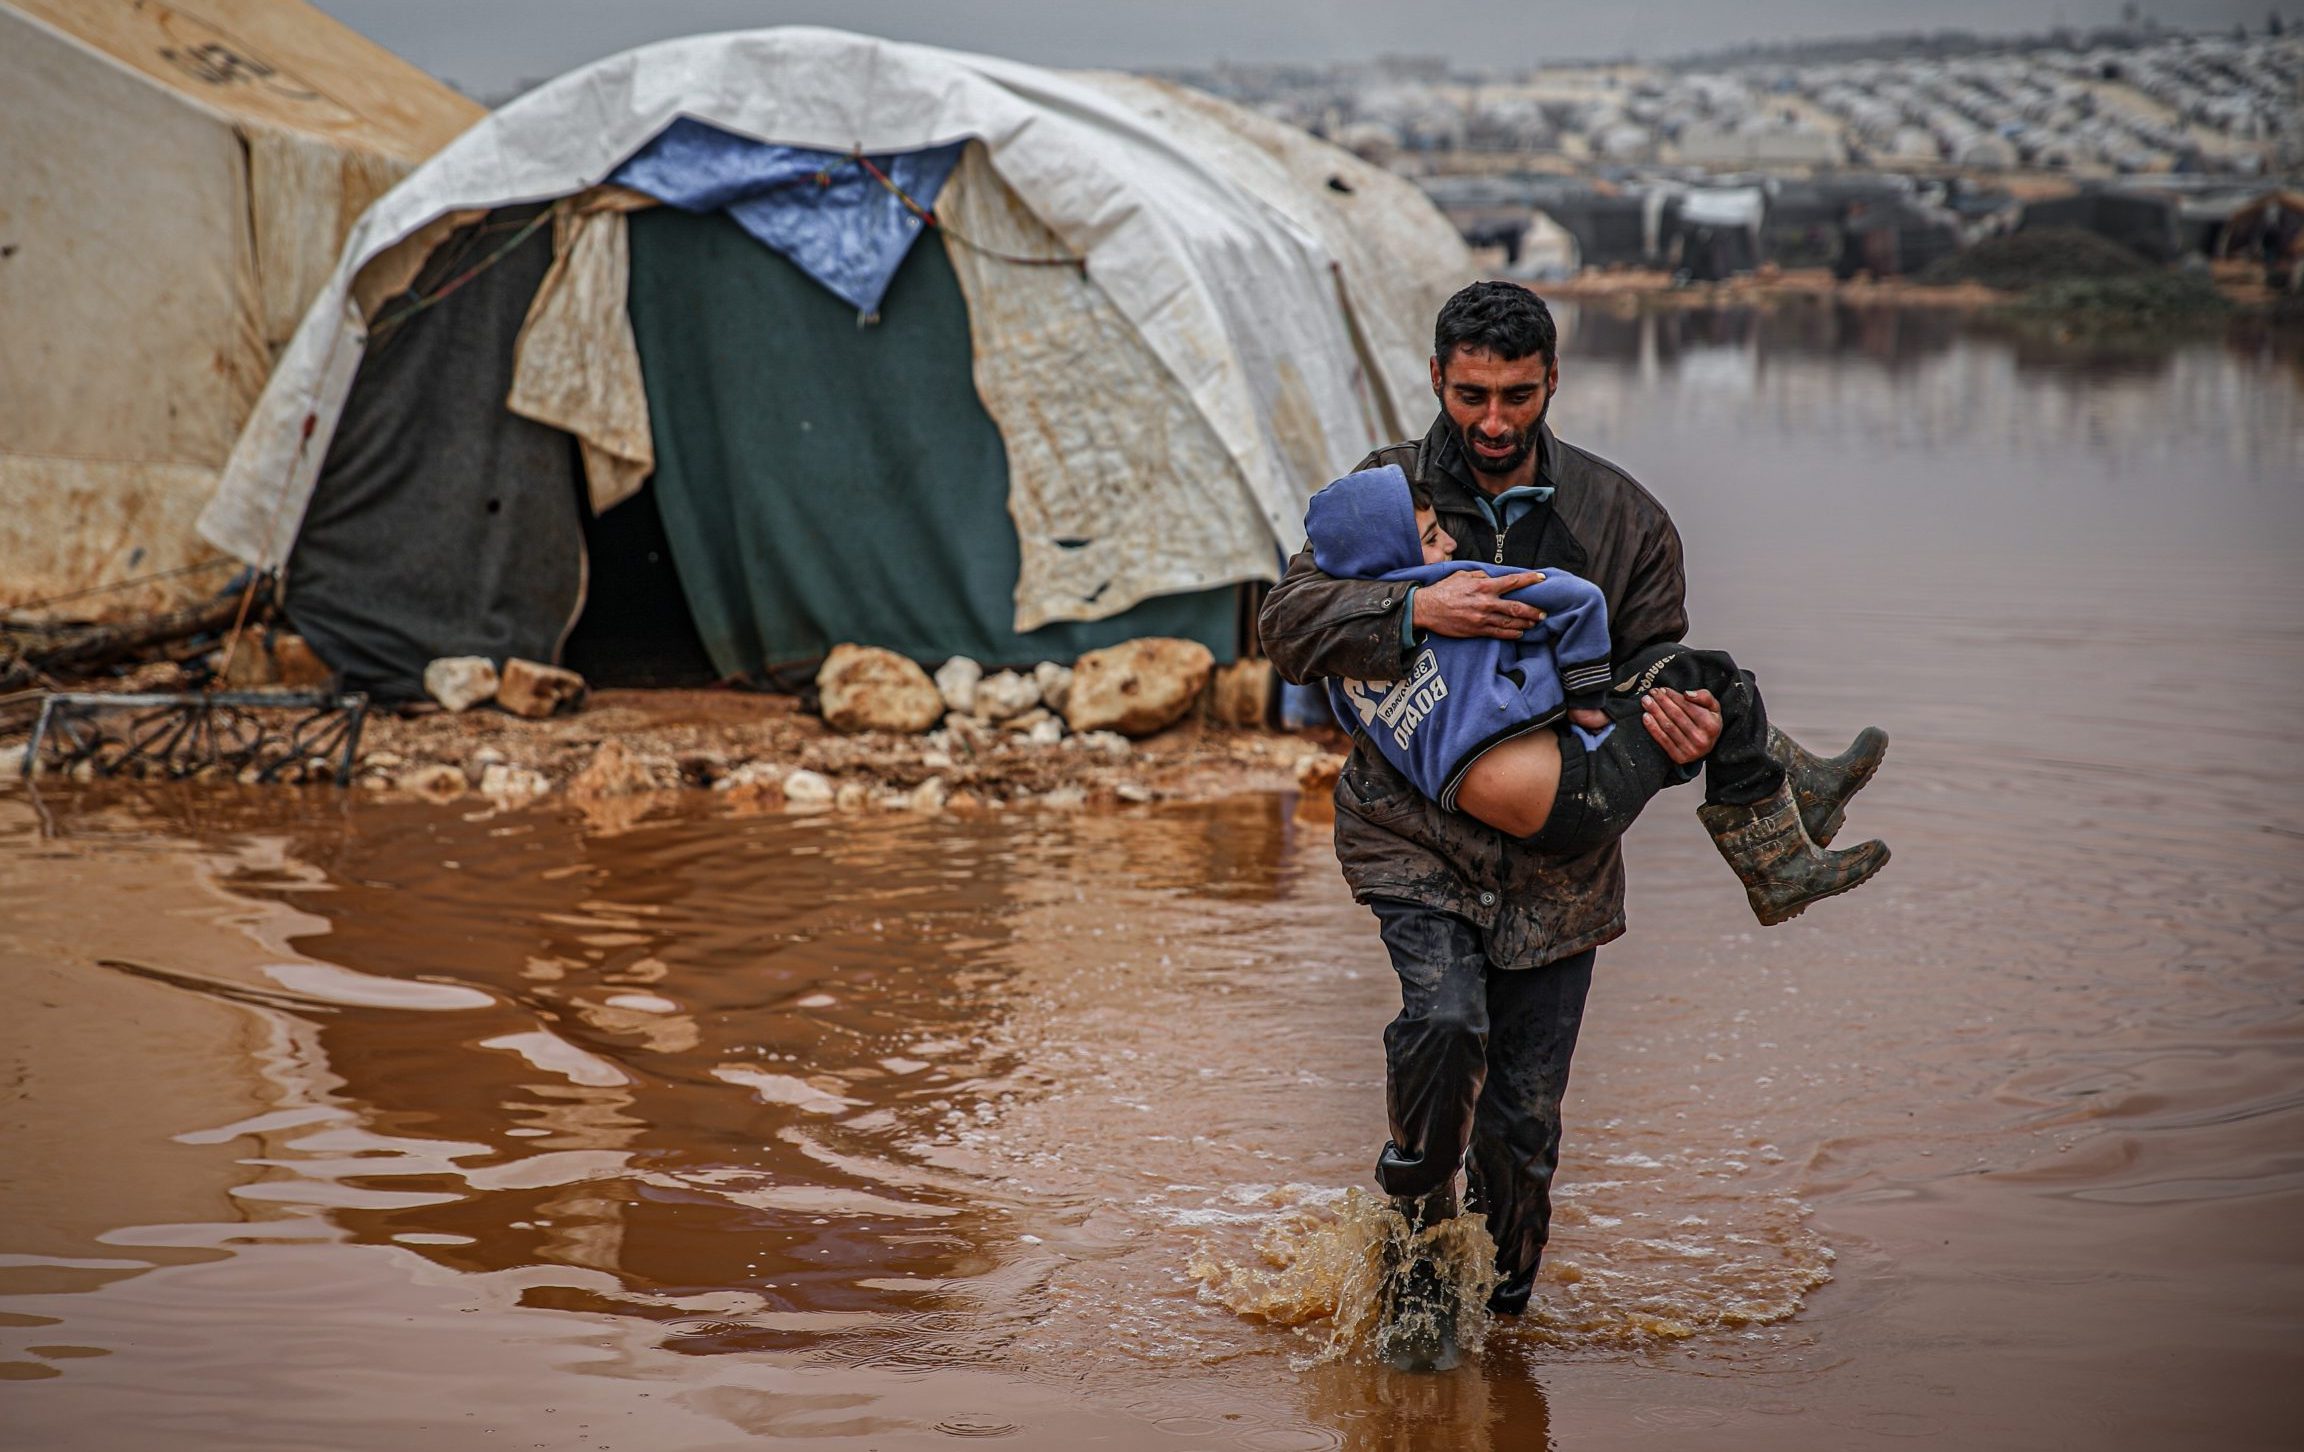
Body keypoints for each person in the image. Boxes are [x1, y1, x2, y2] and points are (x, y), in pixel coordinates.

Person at [1256, 281, 1887, 1366]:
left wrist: (1678, 721)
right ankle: (1414, 1289)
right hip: (1412, 835)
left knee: (1524, 1126)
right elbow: (1285, 622)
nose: (1492, 422)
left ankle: (1499, 1326)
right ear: (1439, 384)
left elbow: (1642, 663)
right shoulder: (1376, 498)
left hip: (1561, 858)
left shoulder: (1625, 517)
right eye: (1470, 396)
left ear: (1553, 382)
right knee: (1444, 1030)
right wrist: (1417, 606)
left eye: (1514, 395)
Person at [1302, 462, 1888, 925]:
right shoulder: (1457, 587)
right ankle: (1778, 865)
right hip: (1571, 798)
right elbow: (1579, 599)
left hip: (1505, 802)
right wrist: (1582, 699)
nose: (1451, 544)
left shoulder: (1352, 659)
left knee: (1665, 666)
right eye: (1432, 537)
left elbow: (1359, 722)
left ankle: (1802, 791)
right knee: (1719, 680)